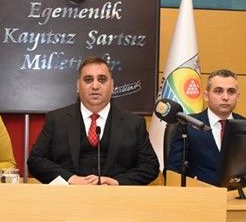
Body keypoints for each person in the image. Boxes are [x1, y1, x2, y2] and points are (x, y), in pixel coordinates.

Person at [27, 56, 159, 185]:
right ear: (78, 86)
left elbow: (150, 166)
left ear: (112, 85)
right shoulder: (56, 120)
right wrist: (70, 179)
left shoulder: (133, 123)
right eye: (88, 79)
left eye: (102, 79)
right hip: (69, 196)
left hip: (115, 197)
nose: (95, 86)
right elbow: (35, 161)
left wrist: (117, 182)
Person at [166, 68, 246, 185]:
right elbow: (173, 170)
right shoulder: (188, 125)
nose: (225, 97)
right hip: (201, 193)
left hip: (238, 193)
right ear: (206, 96)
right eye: (218, 91)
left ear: (237, 97)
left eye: (231, 92)